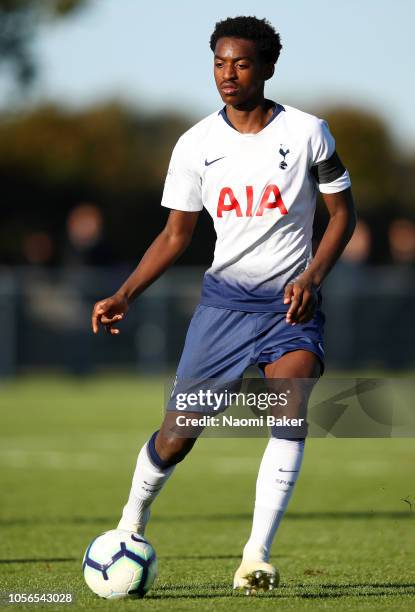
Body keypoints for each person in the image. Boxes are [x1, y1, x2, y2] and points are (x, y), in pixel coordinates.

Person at [91, 16, 356, 594]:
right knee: (176, 436)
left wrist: (313, 275)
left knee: (289, 412)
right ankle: (131, 523)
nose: (227, 75)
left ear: (267, 67)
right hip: (223, 309)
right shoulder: (195, 144)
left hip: (290, 308)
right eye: (218, 62)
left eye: (240, 63)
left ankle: (255, 557)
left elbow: (343, 215)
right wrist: (123, 293)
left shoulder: (310, 132)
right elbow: (174, 237)